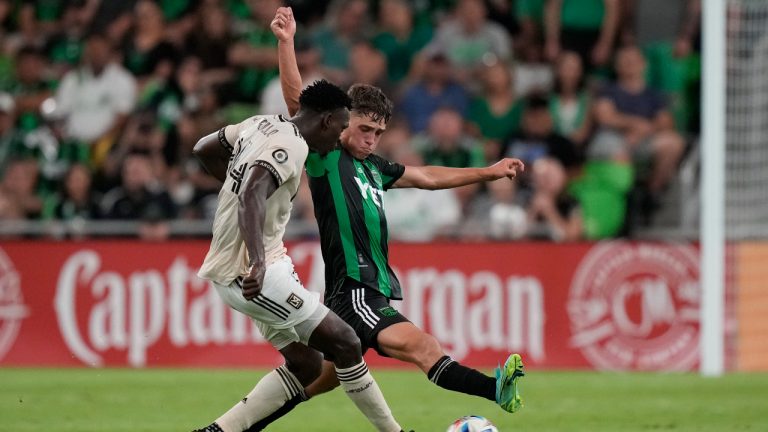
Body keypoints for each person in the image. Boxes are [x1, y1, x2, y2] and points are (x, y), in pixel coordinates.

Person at [247, 8, 527, 430]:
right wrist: (286, 42)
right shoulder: (326, 156)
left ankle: (244, 422)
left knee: (312, 383)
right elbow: (296, 102)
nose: (370, 139)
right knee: (423, 346)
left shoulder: (373, 166)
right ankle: (496, 390)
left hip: (366, 291)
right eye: (363, 130)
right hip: (355, 292)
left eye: (378, 133)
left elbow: (428, 176)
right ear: (340, 124)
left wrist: (489, 171)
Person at [192, 80, 406, 432]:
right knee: (346, 343)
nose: (338, 138)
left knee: (307, 365)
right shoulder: (291, 146)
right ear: (325, 122)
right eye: (339, 127)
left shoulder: (260, 123)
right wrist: (258, 261)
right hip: (249, 272)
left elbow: (203, 148)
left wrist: (231, 182)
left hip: (267, 262)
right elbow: (251, 194)